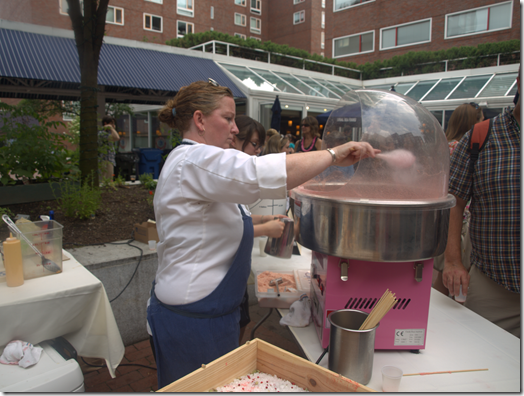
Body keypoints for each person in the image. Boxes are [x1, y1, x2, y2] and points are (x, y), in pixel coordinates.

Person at [146, 79, 379, 388]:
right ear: (199, 120)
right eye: (227, 118)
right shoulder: (194, 159)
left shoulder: (198, 163)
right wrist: (333, 155)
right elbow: (260, 173)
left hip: (212, 313)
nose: (233, 128)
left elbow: (214, 219)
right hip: (193, 318)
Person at [442, 70, 520, 337]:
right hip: (496, 282)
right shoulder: (482, 136)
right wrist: (452, 260)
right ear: (519, 82)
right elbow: (454, 200)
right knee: (478, 353)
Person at [229, 115, 289, 342]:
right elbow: (226, 232)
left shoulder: (235, 177)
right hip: (223, 279)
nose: (258, 150)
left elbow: (240, 216)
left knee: (242, 320)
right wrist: (267, 229)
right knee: (235, 326)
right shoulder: (220, 179)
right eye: (255, 144)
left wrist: (265, 218)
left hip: (235, 274)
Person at [432, 102, 484, 295]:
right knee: (458, 275)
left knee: (443, 276)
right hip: (461, 219)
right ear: (472, 122)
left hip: (443, 216)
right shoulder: (465, 147)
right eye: (480, 119)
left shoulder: (443, 144)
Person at [98, 115, 120, 181]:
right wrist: (112, 128)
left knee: (110, 179)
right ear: (106, 123)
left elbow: (115, 137)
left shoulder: (109, 133)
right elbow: (117, 137)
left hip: (110, 160)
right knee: (107, 180)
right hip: (106, 160)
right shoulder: (102, 134)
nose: (114, 125)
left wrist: (112, 129)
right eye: (112, 123)